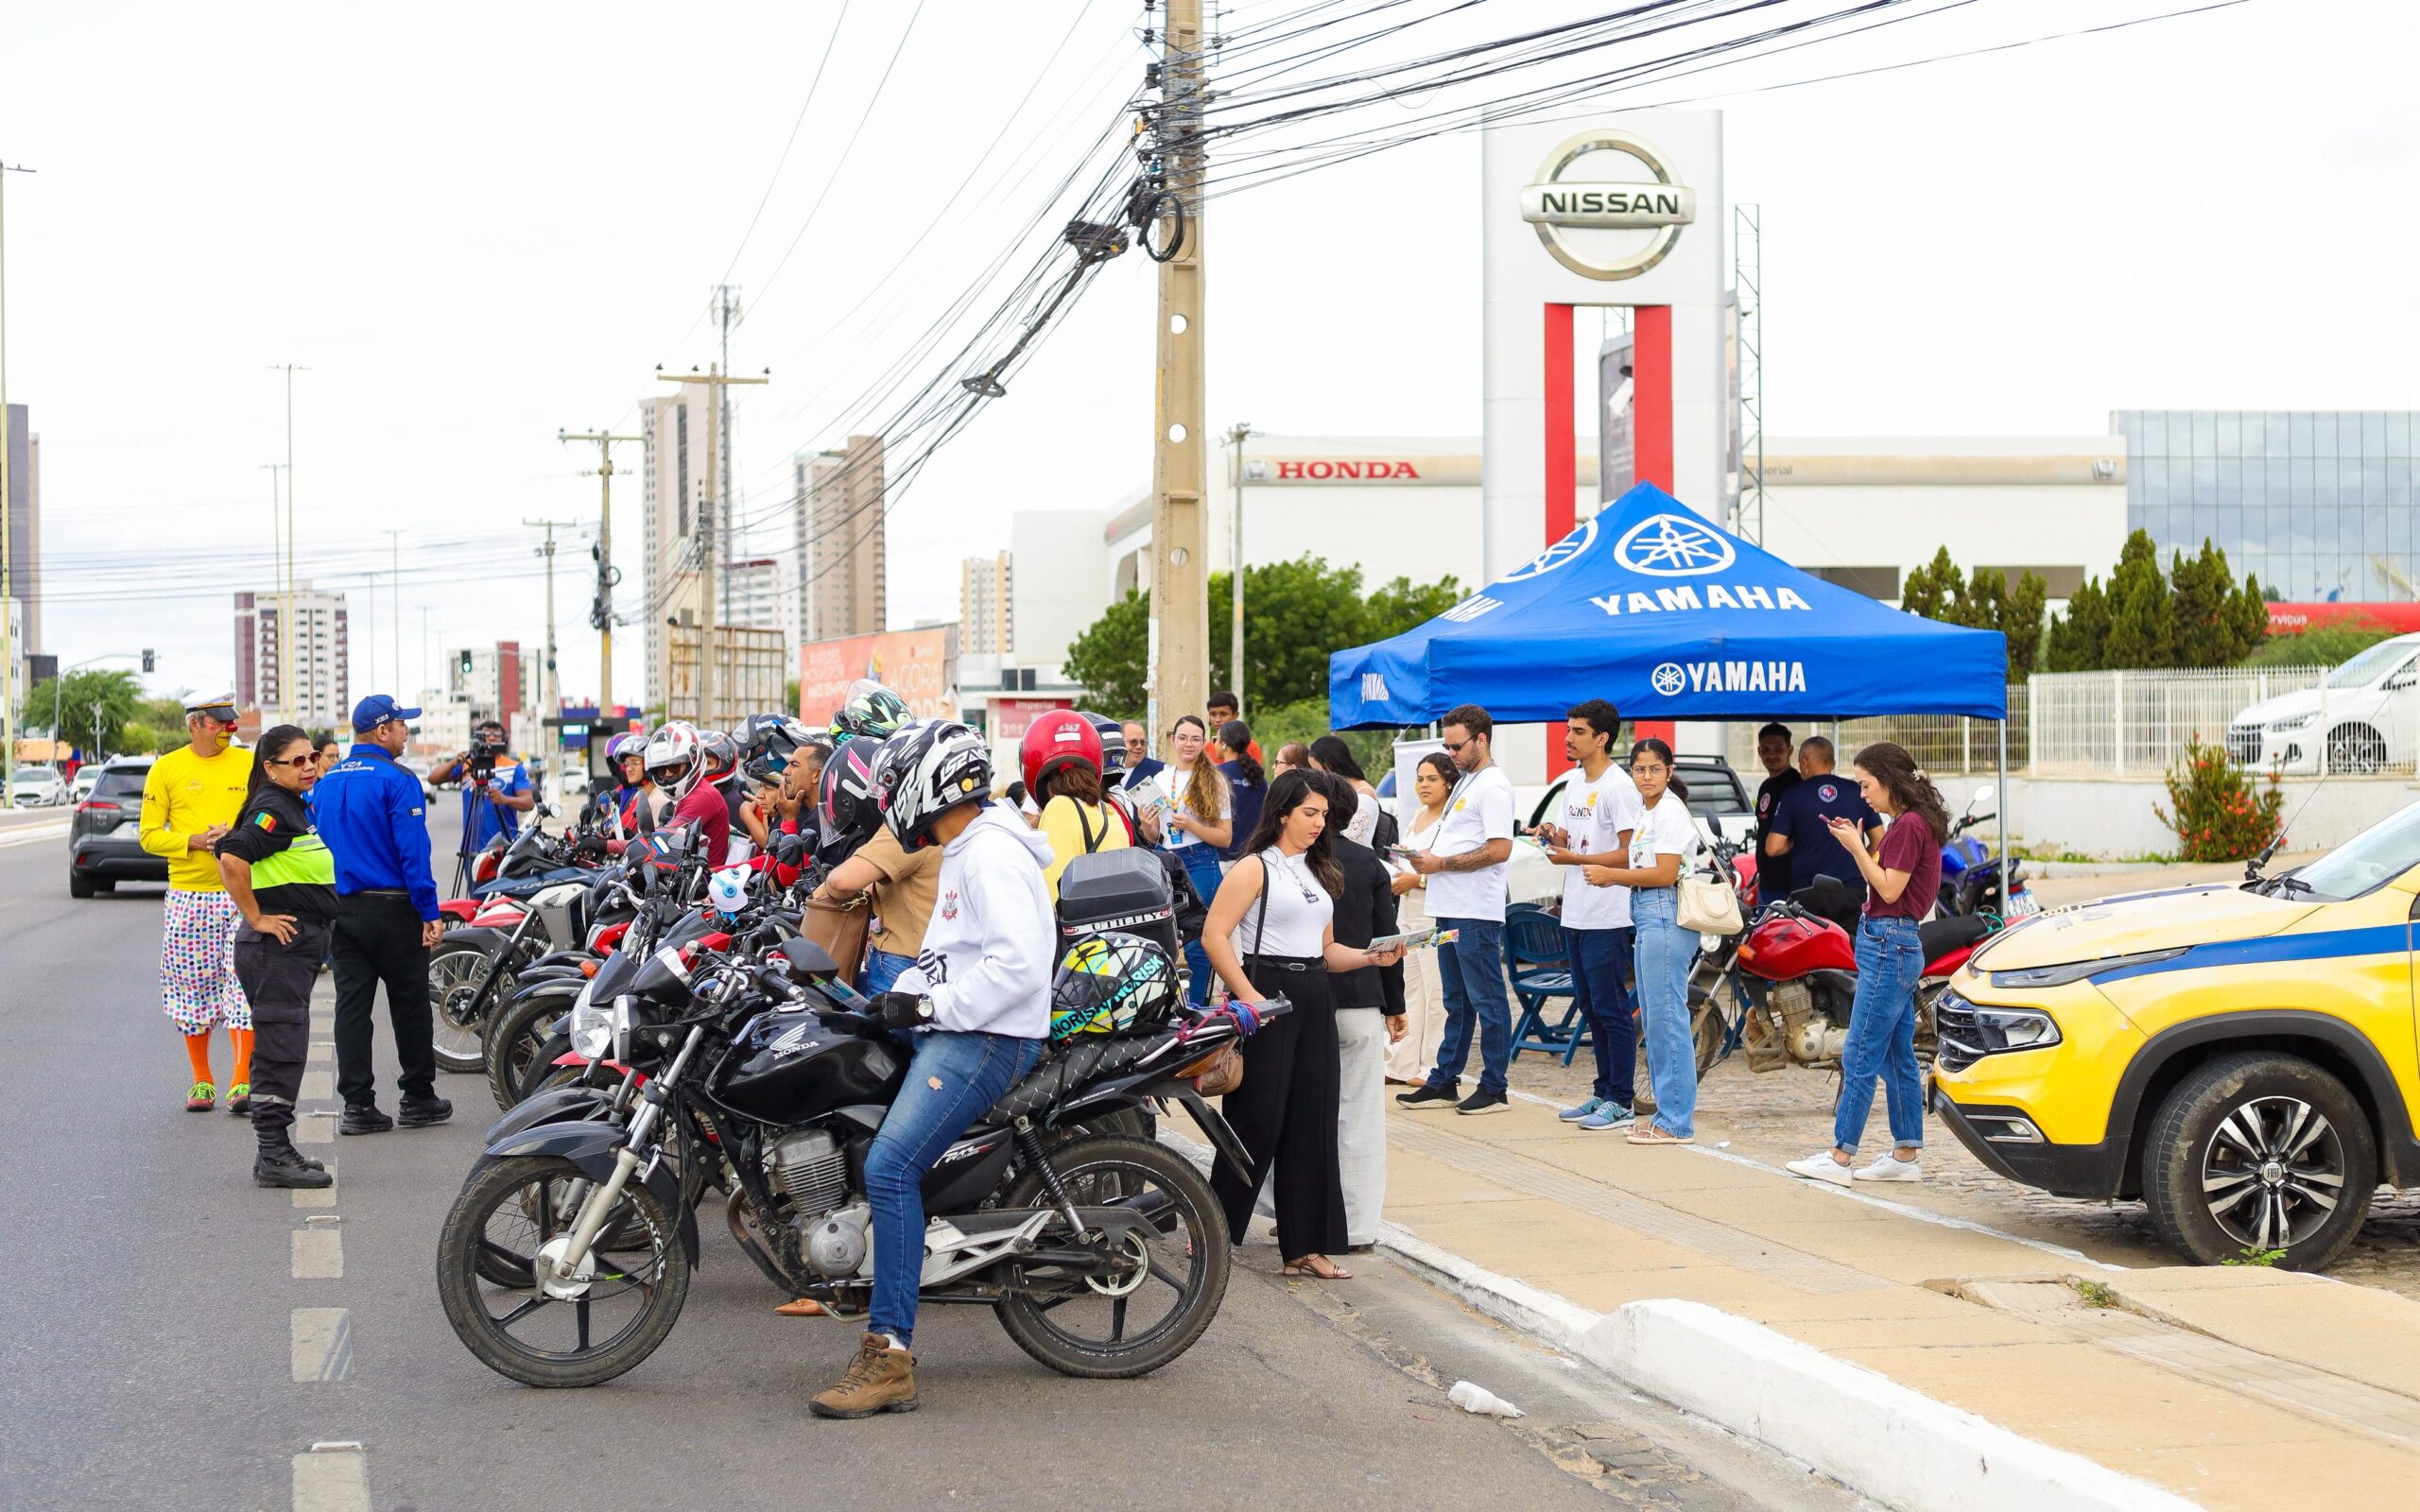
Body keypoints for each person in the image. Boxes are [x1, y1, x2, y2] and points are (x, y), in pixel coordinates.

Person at [808, 722, 1051, 1420]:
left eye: (896, 787)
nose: (888, 803)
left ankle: (889, 1356)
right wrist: (892, 997)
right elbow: (954, 955)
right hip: (956, 1023)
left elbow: (1018, 965)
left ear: (934, 781)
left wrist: (931, 1001)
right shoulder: (966, 848)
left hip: (982, 1038)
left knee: (890, 1167)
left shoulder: (989, 857)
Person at [1202, 769, 1403, 1280]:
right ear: (1283, 812)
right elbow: (1214, 936)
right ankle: (1213, 1229)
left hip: (1316, 993)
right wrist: (1251, 999)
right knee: (1255, 1119)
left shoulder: (1319, 872)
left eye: (1324, 815)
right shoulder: (1254, 868)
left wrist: (1370, 958)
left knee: (1312, 1121)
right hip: (1268, 990)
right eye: (1309, 813)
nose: (1319, 823)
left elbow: (1327, 950)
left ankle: (1305, 1247)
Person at [1787, 744, 1949, 1188]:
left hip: (1889, 944)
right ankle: (1905, 1152)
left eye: (1866, 785)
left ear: (1890, 780)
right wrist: (1858, 843)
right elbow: (1891, 881)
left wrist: (1857, 848)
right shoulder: (1912, 824)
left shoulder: (1909, 826)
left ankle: (1841, 1155)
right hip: (1891, 943)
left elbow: (1889, 890)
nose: (1863, 795)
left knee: (1859, 1051)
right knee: (1896, 1054)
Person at [311, 695, 450, 1135]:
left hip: (342, 906)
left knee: (351, 1007)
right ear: (383, 730)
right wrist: (428, 910)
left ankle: (357, 1105)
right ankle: (418, 1096)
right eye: (403, 726)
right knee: (410, 1004)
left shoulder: (328, 780)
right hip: (392, 907)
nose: (408, 732)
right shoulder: (398, 778)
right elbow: (413, 852)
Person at [214, 725, 337, 1190]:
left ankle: (278, 1148)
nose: (309, 767)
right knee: (281, 1047)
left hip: (292, 946)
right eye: (297, 762)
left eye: (311, 759)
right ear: (270, 768)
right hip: (276, 946)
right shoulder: (272, 808)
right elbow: (232, 857)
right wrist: (257, 916)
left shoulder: (287, 805)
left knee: (286, 1043)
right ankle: (272, 1154)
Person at [1395, 704, 1517, 1116]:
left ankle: (1495, 1087)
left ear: (1481, 740)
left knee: (1487, 999)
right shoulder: (1468, 782)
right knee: (1456, 999)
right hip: (1447, 907)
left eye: (1456, 746)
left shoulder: (1493, 786)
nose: (1451, 754)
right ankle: (1445, 1079)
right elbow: (1461, 842)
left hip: (1474, 912)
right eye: (1446, 746)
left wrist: (1440, 863)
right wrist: (1427, 856)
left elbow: (1500, 849)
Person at [139, 692, 256, 1112]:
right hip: (190, 895)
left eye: (231, 721)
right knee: (193, 987)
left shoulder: (249, 763)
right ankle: (202, 1080)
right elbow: (149, 835)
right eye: (219, 722)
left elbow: (269, 814)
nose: (229, 729)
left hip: (243, 891)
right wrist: (191, 841)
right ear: (194, 724)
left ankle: (241, 1081)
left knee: (244, 984)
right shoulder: (166, 768)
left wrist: (242, 835)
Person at [1582, 738, 1700, 1146]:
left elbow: (1665, 873)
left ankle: (1676, 1120)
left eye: (1654, 768)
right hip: (1647, 912)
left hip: (1664, 911)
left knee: (1667, 1020)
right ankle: (1668, 1113)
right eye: (1639, 769)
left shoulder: (1669, 810)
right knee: (1653, 1018)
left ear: (1670, 770)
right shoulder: (1647, 810)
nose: (1646, 776)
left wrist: (1611, 876)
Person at [1304, 771, 1405, 1248]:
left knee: (1306, 1114)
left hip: (1303, 1000)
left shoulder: (1292, 862)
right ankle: (1359, 1227)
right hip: (1362, 999)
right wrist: (1397, 1005)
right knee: (1359, 1117)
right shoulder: (1369, 864)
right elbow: (1389, 941)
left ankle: (1298, 1214)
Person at [1537, 700, 1645, 1132]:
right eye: (1568, 729)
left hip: (1609, 912)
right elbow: (1567, 837)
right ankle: (1603, 1091)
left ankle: (1622, 1099)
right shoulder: (1573, 782)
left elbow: (1628, 851)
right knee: (1590, 1006)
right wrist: (1550, 836)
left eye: (1578, 731)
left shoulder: (1619, 785)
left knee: (1611, 1007)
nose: (1568, 737)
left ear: (1601, 738)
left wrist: (1574, 855)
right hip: (1577, 911)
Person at [1383, 750, 1456, 1084]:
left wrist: (1420, 879)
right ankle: (1402, 1063)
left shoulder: (1450, 821)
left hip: (1434, 913)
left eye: (1432, 779)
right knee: (1409, 986)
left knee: (1436, 990)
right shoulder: (1416, 818)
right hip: (1408, 910)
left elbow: (1451, 867)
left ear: (1448, 782)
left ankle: (1432, 1066)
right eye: (1420, 779)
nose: (1424, 785)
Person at [1767, 736, 1883, 928]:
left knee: (1811, 951)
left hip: (1807, 892)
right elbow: (1880, 840)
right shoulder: (1858, 792)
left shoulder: (1793, 794)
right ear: (1832, 762)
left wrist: (1799, 840)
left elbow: (1773, 847)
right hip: (1852, 891)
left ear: (1804, 761)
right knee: (1849, 950)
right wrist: (1860, 857)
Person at [1160, 714, 1233, 1006]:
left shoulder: (1213, 780)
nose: (1188, 744)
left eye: (1195, 738)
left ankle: (1199, 1007)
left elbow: (1225, 837)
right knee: (1163, 941)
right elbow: (1156, 832)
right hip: (1166, 861)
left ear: (1204, 743)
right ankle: (1168, 1009)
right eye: (1183, 738)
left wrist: (1192, 826)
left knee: (1200, 945)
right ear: (1172, 740)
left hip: (1201, 861)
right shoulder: (1161, 780)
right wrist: (1148, 822)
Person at [1021, 710, 1131, 899]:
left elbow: (1053, 889)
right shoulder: (1109, 808)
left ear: (1047, 783)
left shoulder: (1061, 807)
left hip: (1085, 923)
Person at [426, 717, 536, 859]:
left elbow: (529, 802)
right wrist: (454, 762)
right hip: (472, 849)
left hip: (504, 849)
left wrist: (504, 799)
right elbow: (433, 779)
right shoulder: (467, 764)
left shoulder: (514, 767)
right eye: (486, 734)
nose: (491, 738)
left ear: (504, 740)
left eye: (496, 735)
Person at [647, 722, 731, 867]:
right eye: (661, 770)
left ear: (691, 762)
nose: (667, 774)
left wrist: (607, 845)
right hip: (686, 876)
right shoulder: (689, 793)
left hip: (702, 881)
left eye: (674, 767)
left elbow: (661, 840)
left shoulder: (702, 797)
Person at [1750, 722, 1800, 904]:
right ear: (1759, 751)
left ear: (1790, 750)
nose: (1772, 755)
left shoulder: (1795, 785)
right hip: (1767, 880)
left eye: (1778, 749)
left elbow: (1805, 829)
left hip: (1790, 884)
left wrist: (1784, 846)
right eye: (1766, 750)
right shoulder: (1765, 786)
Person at [1307, 734, 1382, 849]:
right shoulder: (1333, 790)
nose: (1316, 776)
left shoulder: (1365, 795)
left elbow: (1352, 837)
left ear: (1329, 765)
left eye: (1317, 770)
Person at [1215, 720, 1269, 865]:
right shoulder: (1257, 775)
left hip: (1226, 856)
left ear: (1224, 743)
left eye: (1216, 739)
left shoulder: (1217, 774)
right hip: (1257, 855)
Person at [1204, 691, 1264, 764]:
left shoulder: (1250, 747)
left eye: (1223, 714)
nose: (1217, 720)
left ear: (1235, 715)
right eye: (1213, 714)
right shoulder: (1207, 749)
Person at [1119, 719, 1163, 791]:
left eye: (1142, 742)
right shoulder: (1104, 771)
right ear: (1119, 742)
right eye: (1133, 742)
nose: (1139, 746)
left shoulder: (1160, 771)